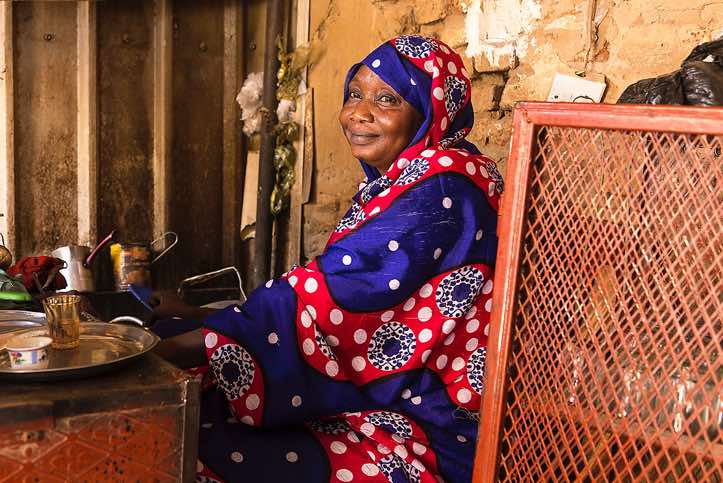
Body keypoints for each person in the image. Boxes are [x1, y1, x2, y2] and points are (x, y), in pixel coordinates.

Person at [153, 35, 503, 483]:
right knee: (191, 364)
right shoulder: (424, 173)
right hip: (399, 390)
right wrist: (192, 320)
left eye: (387, 100)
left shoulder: (437, 191)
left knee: (186, 440)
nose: (359, 112)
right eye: (355, 94)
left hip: (429, 427)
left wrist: (156, 354)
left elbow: (329, 301)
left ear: (428, 112)